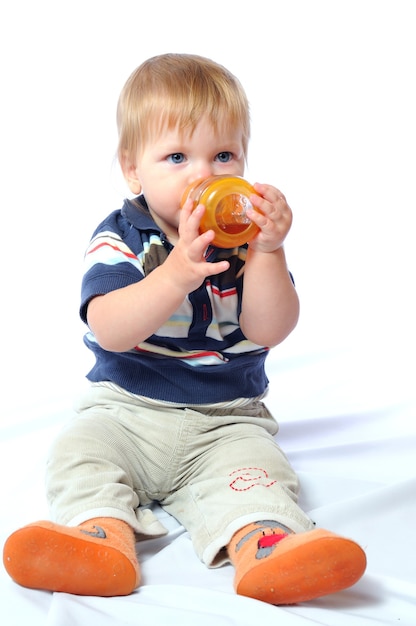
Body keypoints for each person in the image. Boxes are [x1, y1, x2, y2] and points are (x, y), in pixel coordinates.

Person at [3, 53, 366, 605]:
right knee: (79, 451)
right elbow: (111, 329)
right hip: (127, 410)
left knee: (257, 475)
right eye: (177, 156)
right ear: (133, 169)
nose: (205, 175)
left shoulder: (247, 242)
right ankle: (100, 535)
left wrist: (270, 251)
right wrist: (174, 274)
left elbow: (270, 329)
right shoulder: (124, 237)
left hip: (225, 422)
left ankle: (267, 544)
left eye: (224, 155)